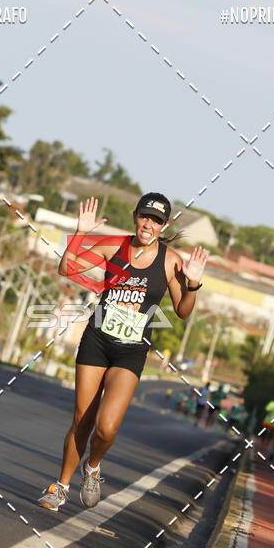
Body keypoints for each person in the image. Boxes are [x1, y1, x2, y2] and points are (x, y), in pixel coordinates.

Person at [39, 194, 209, 511]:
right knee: (82, 419)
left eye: (157, 220)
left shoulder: (170, 261)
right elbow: (66, 268)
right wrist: (81, 233)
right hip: (97, 341)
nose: (149, 224)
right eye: (145, 217)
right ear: (135, 216)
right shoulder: (113, 246)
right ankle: (60, 487)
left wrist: (194, 285)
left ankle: (93, 467)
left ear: (164, 225)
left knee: (107, 426)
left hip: (130, 352)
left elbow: (183, 311)